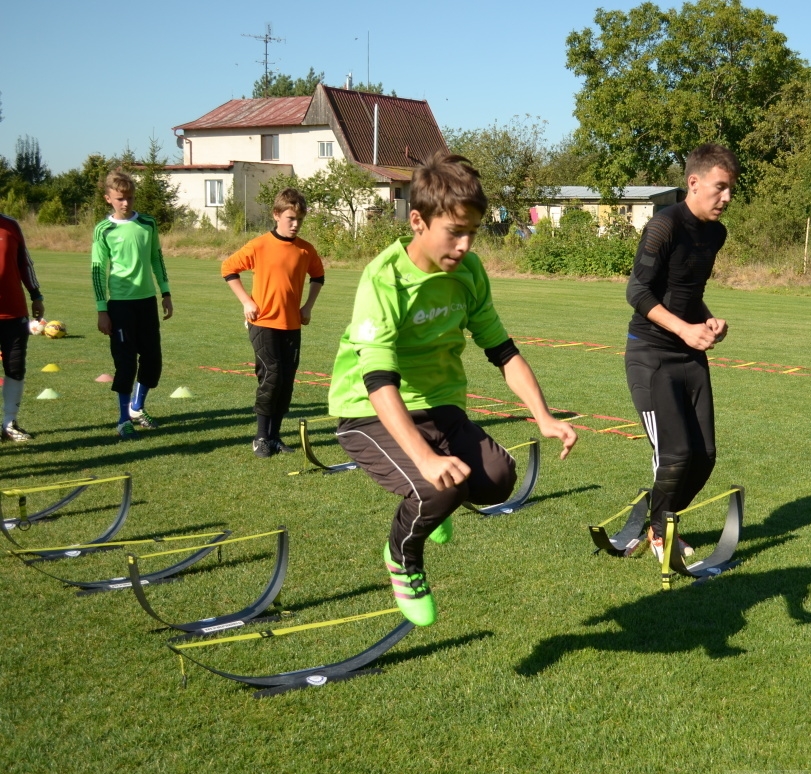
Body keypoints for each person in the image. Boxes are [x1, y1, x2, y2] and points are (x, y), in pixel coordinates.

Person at [328, 153, 577, 626]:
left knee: (497, 478)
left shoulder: (470, 273)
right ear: (418, 221)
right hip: (368, 411)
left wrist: (543, 417)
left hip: (441, 407)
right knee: (437, 484)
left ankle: (433, 506)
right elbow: (377, 378)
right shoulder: (384, 279)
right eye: (454, 232)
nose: (464, 246)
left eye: (472, 233)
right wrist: (424, 458)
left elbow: (502, 350)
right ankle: (402, 556)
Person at [624, 143, 738, 560]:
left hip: (689, 355)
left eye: (731, 190)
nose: (726, 199)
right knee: (676, 455)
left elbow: (689, 293)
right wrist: (685, 330)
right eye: (720, 188)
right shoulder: (663, 226)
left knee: (704, 456)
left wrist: (708, 322)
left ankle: (660, 514)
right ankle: (659, 531)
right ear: (694, 182)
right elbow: (636, 291)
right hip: (651, 356)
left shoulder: (716, 233)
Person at [221, 188, 325, 457]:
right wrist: (246, 301)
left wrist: (308, 307)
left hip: (292, 325)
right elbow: (228, 269)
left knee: (286, 381)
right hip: (263, 322)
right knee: (272, 376)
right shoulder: (259, 246)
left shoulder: (306, 250)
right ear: (276, 214)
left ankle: (275, 437)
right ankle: (260, 438)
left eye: (300, 220)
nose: (295, 224)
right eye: (290, 218)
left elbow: (318, 276)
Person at [91, 169, 173, 438]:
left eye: (130, 198)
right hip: (120, 306)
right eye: (120, 199)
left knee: (152, 360)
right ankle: (123, 418)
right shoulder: (104, 230)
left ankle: (138, 407)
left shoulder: (147, 223)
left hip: (146, 302)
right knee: (126, 364)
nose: (126, 203)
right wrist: (102, 309)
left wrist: (165, 292)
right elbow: (97, 270)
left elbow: (156, 259)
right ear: (108, 199)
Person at [0, 213, 43, 442]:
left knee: (15, 368)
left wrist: (36, 295)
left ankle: (9, 423)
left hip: (14, 312)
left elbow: (24, 263)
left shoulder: (10, 225)